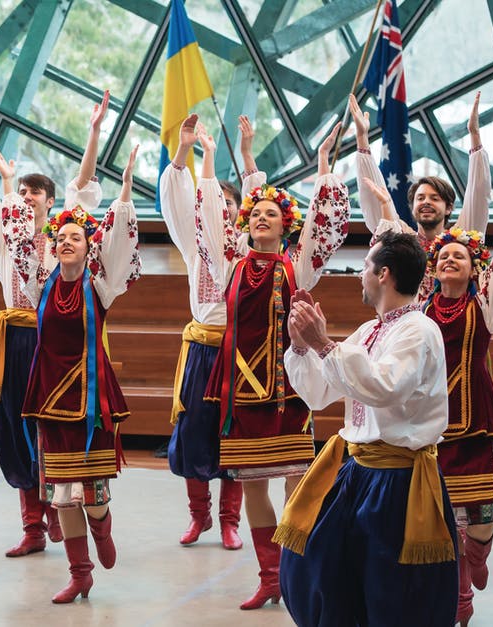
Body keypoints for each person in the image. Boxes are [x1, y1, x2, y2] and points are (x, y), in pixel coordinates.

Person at [0, 93, 109, 555]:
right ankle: (32, 525)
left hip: (54, 339)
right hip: (13, 338)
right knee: (13, 425)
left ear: (51, 203)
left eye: (37, 192)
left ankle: (58, 507)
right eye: (24, 191)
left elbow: (86, 183)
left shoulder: (65, 239)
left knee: (48, 424)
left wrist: (94, 132)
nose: (28, 196)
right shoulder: (2, 228)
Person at [194, 121, 350, 610]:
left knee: (297, 483)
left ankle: (298, 569)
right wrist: (212, 155)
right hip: (240, 394)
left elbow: (325, 226)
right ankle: (269, 577)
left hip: (286, 392)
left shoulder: (296, 265)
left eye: (270, 213)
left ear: (286, 225)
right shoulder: (229, 264)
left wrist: (324, 166)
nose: (261, 218)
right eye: (254, 212)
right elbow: (207, 219)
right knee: (254, 485)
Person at [278, 230, 457, 626]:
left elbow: (384, 389)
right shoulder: (369, 330)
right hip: (357, 474)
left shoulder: (418, 330)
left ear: (384, 275)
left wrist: (324, 344)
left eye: (365, 266)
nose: (360, 274)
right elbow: (319, 393)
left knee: (390, 592)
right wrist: (303, 346)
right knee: (321, 570)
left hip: (397, 481)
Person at [4, 146, 142, 604]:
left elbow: (119, 247)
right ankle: (79, 573)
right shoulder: (38, 285)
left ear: (88, 247)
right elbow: (18, 240)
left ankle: (102, 527)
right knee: (62, 495)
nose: (65, 242)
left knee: (92, 495)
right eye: (59, 237)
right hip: (49, 399)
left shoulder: (99, 285)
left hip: (89, 399)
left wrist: (123, 192)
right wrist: (10, 188)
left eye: (75, 238)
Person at [361, 176, 493, 625]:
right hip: (433, 429)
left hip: (476, 421)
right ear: (433, 269)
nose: (451, 260)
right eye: (443, 257)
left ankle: (480, 553)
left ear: (475, 268)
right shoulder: (420, 311)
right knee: (447, 522)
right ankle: (459, 602)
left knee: (480, 522)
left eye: (460, 256)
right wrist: (383, 207)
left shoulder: (486, 306)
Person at [160, 114, 262, 550]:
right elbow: (178, 195)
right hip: (202, 348)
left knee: (234, 433)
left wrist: (245, 153)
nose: (220, 207)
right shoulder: (193, 241)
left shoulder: (250, 246)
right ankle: (198, 516)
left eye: (229, 202)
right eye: (213, 200)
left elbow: (264, 201)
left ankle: (229, 521)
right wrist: (186, 149)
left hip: (240, 351)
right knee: (194, 430)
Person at [350, 92, 490, 303]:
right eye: (421, 198)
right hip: (410, 328)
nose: (426, 202)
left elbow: (478, 194)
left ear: (449, 207)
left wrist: (474, 135)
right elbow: (375, 199)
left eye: (434, 198)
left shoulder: (461, 241)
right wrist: (362, 138)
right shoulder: (403, 240)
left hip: (453, 328)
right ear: (413, 207)